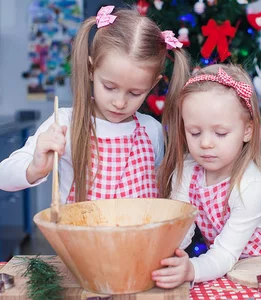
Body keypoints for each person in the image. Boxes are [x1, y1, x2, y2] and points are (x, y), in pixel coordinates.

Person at [0, 6, 190, 203]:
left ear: (152, 85)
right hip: (80, 234)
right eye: (109, 87)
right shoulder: (66, 123)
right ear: (91, 70)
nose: (119, 103)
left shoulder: (152, 130)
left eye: (135, 93)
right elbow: (3, 176)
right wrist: (34, 168)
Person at [153, 64, 261, 288]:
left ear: (247, 130)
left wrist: (191, 269)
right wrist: (157, 257)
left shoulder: (252, 185)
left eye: (220, 133)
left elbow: (225, 252)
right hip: (228, 273)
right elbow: (179, 229)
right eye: (195, 132)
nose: (206, 143)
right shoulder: (188, 172)